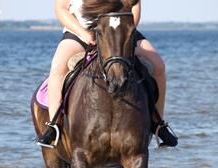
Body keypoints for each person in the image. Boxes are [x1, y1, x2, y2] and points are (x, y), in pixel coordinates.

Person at [37, 0, 178, 148]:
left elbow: (134, 6)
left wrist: (126, 33)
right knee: (57, 67)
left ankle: (158, 124)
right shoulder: (81, 30)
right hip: (81, 33)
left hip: (119, 34)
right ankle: (54, 125)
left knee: (158, 65)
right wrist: (83, 33)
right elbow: (61, 9)